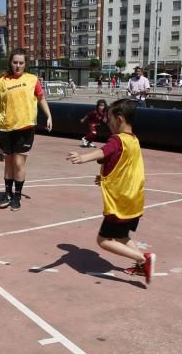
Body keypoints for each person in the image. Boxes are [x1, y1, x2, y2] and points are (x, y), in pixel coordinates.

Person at [66, 98, 155, 285]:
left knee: (103, 241)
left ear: (120, 119)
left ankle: (143, 259)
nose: (107, 122)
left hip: (119, 203)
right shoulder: (134, 140)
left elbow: (104, 152)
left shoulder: (117, 140)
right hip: (133, 199)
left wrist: (83, 157)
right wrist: (107, 179)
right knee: (122, 236)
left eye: (109, 118)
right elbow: (124, 167)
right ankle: (142, 263)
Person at [0, 48, 53, 211]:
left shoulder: (32, 80)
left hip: (25, 127)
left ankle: (17, 196)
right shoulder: (1, 82)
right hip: (6, 128)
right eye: (15, 62)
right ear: (10, 63)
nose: (18, 65)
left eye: (21, 63)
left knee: (18, 162)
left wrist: (49, 115)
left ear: (25, 64)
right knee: (8, 162)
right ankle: (7, 193)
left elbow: (41, 98)